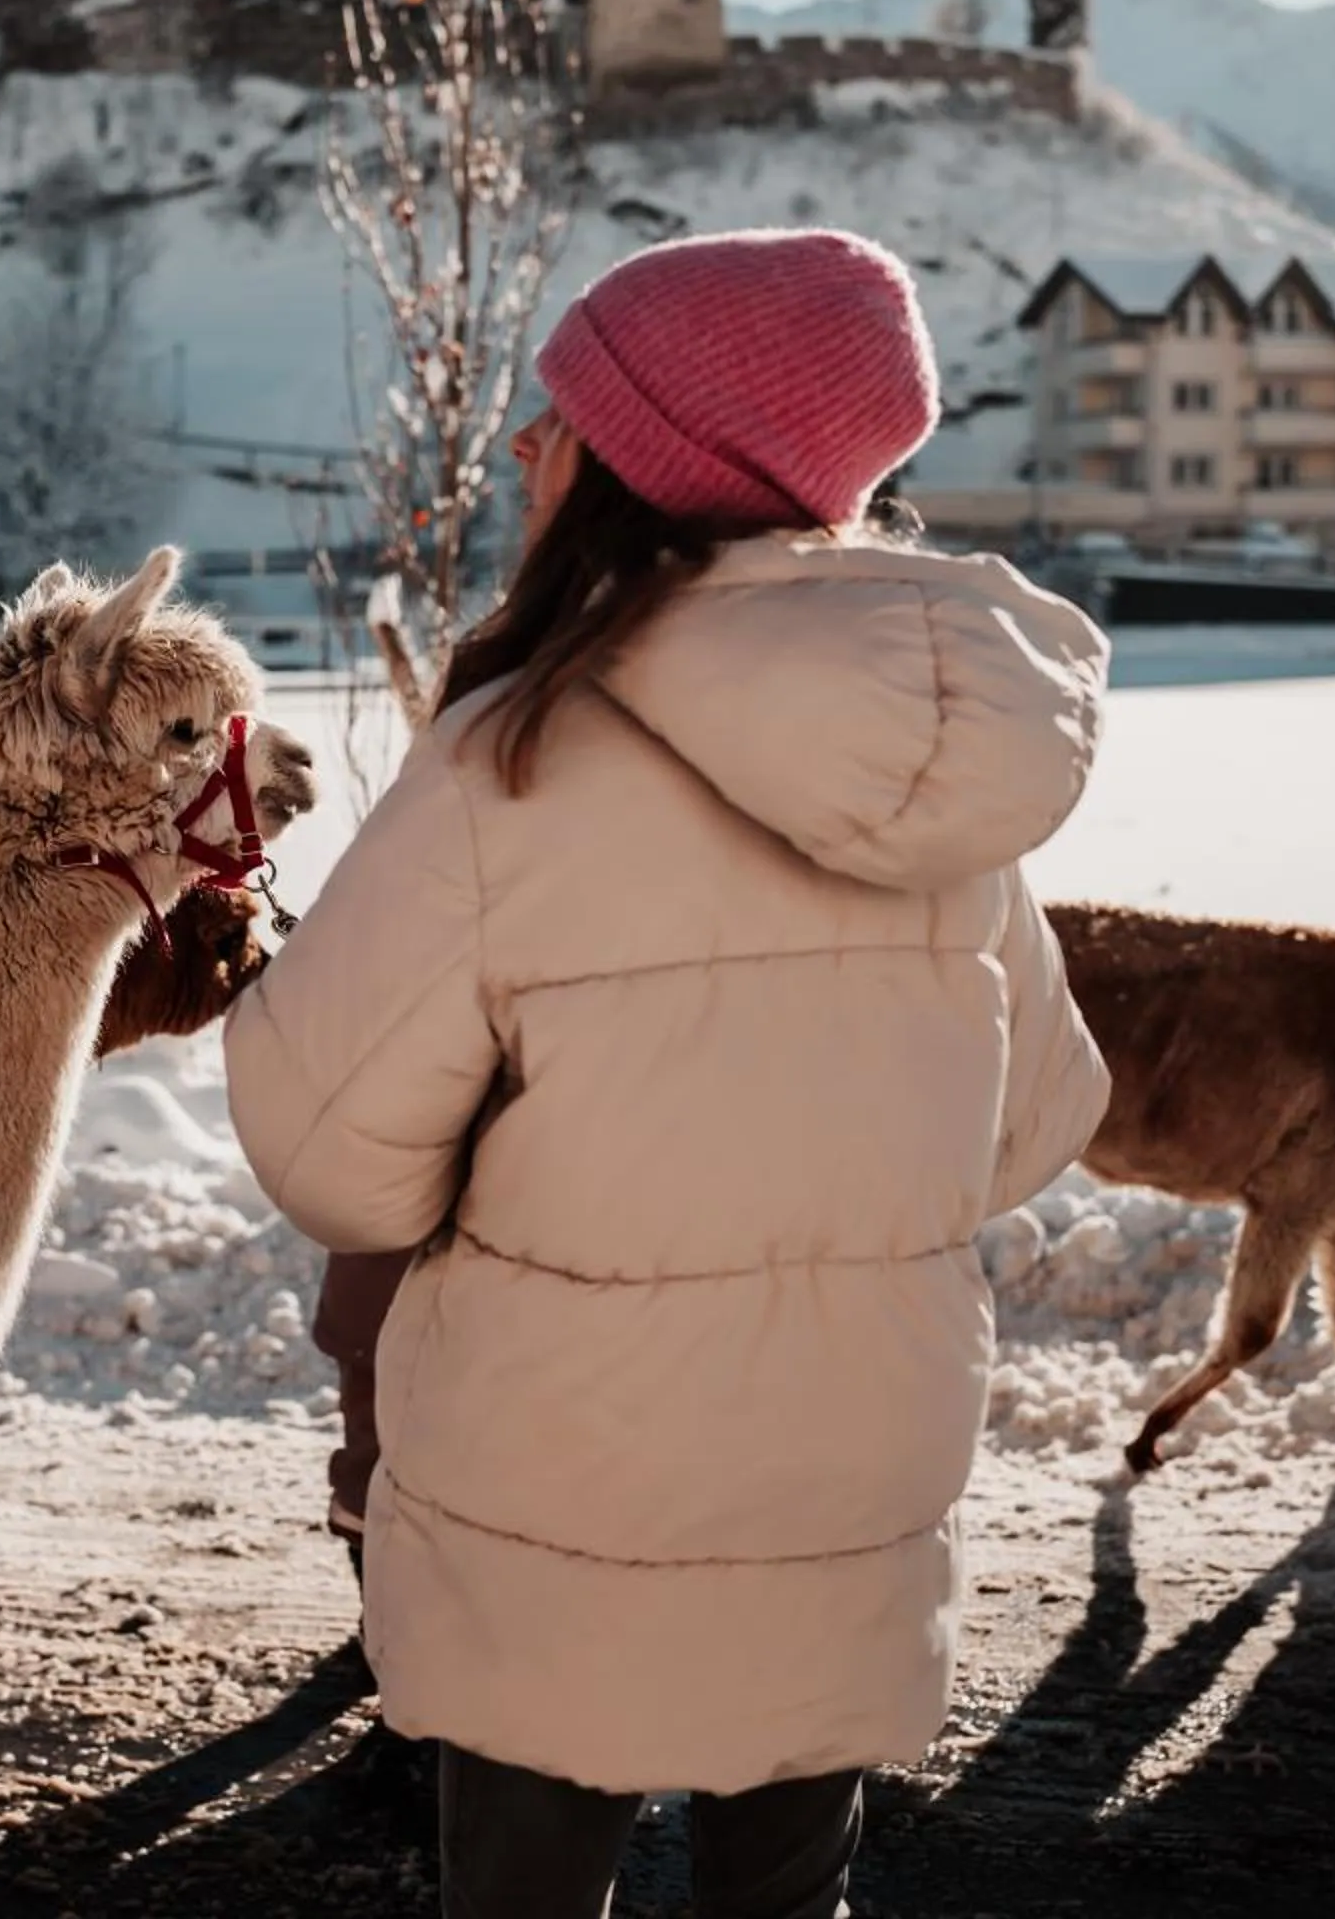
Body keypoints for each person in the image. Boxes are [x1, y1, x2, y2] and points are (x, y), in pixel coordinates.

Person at [222, 230, 1113, 1919]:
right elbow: (1040, 1117)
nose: (516, 451)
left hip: (564, 1492)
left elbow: (331, 1159)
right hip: (849, 1478)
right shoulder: (936, 777)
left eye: (554, 417)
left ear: (643, 466)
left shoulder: (518, 757)